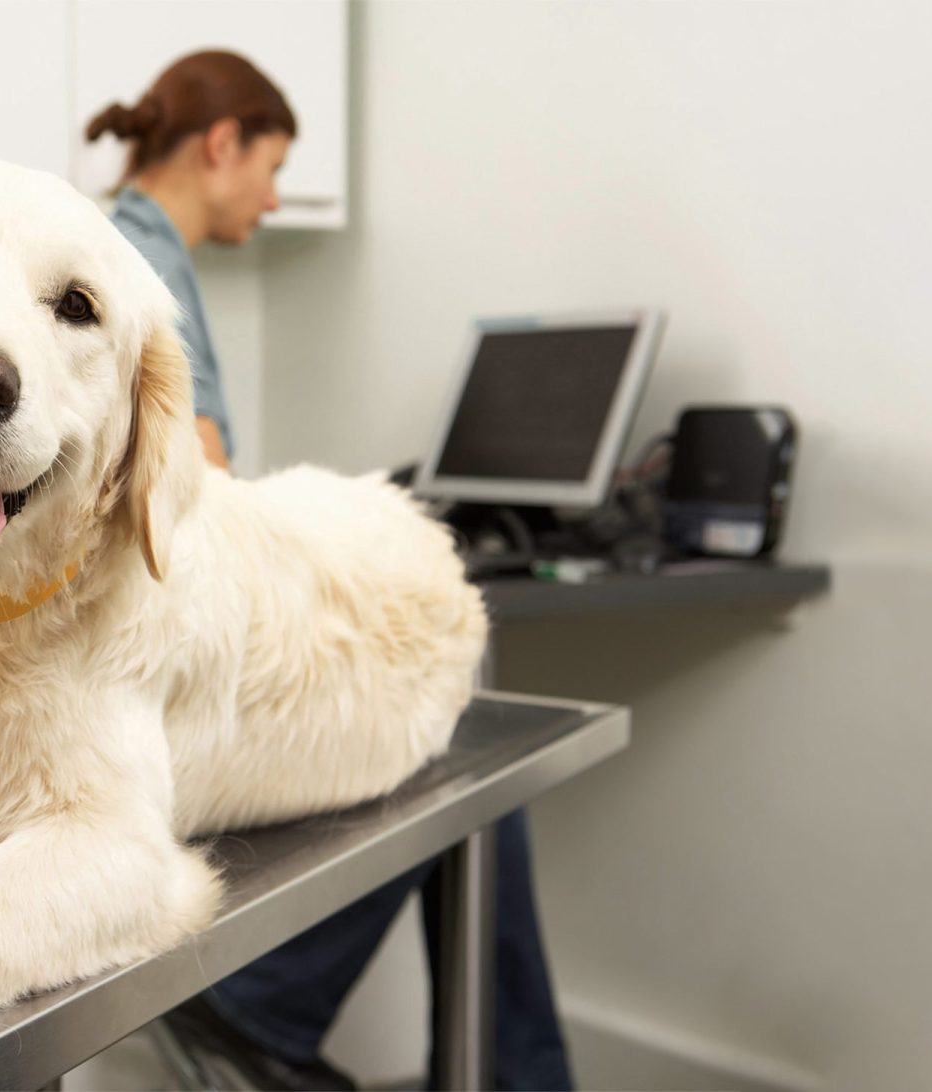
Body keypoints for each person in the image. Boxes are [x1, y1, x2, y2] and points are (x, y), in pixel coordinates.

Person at [86, 52, 574, 1091]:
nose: (272, 196)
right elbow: (194, 496)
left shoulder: (121, 245)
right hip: (142, 673)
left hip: (126, 652)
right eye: (270, 166)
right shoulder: (139, 263)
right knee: (449, 706)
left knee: (449, 716)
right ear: (222, 145)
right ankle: (264, 1008)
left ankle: (297, 1015)